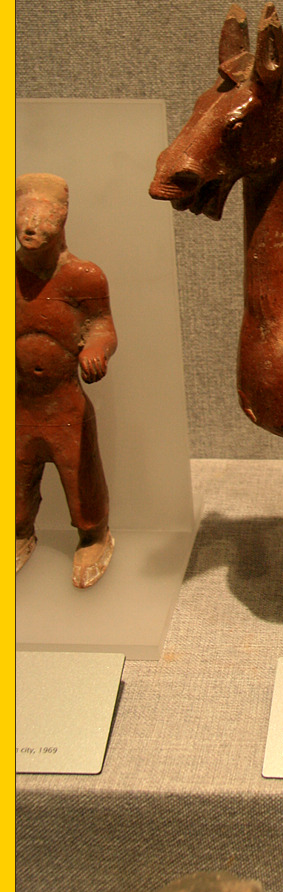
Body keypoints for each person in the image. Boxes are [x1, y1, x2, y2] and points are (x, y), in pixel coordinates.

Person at [15, 173, 117, 587]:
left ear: (61, 221)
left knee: (80, 478)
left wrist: (95, 349)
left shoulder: (84, 277)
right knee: (16, 479)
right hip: (18, 403)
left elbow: (102, 325)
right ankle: (19, 532)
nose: (30, 229)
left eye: (42, 220)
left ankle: (94, 536)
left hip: (65, 402)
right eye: (24, 218)